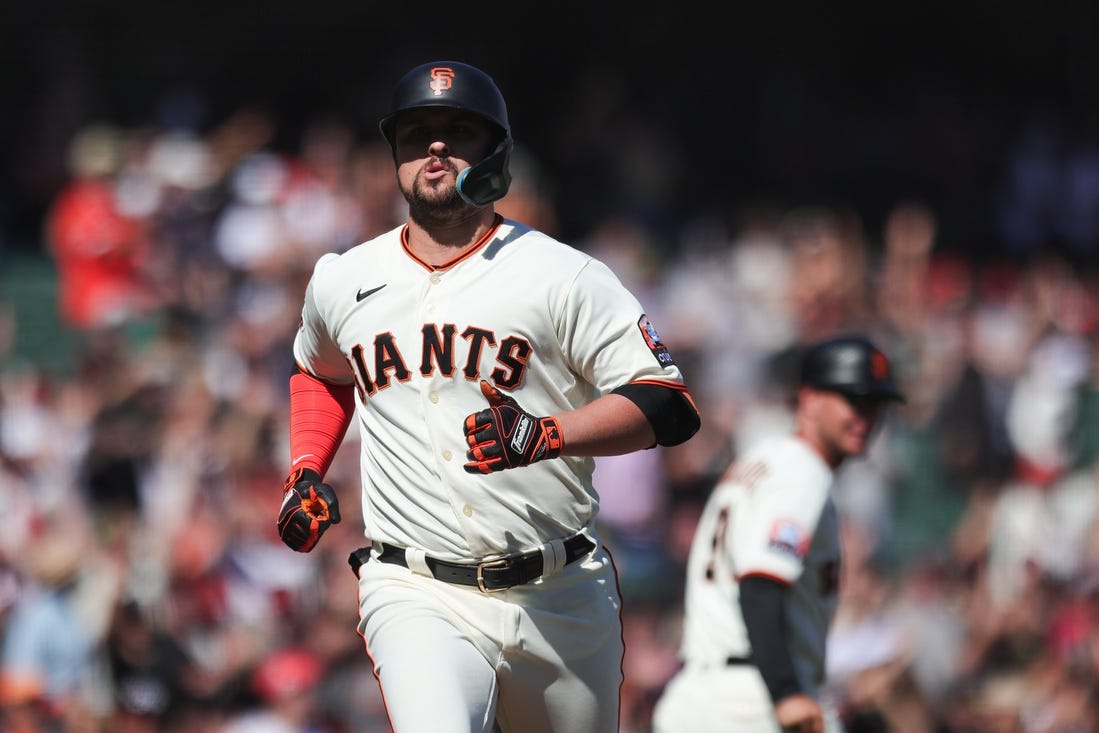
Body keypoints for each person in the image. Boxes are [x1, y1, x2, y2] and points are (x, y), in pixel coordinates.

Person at [275, 60, 701, 733]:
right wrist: (305, 470)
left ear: (495, 154)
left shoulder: (563, 275)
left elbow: (666, 403)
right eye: (416, 132)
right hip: (415, 586)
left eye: (457, 131)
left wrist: (546, 434)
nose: (434, 146)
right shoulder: (343, 279)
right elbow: (320, 372)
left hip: (558, 590)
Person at [652, 334, 905, 733]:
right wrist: (787, 693)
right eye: (852, 400)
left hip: (698, 694)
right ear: (808, 398)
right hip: (751, 702)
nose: (865, 417)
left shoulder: (761, 460)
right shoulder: (802, 471)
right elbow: (760, 583)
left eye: (876, 404)